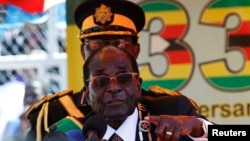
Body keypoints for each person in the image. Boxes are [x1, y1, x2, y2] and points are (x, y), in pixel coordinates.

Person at [25, 0, 213, 140]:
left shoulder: (170, 109)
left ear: (135, 50)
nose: (107, 52)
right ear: (83, 51)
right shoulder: (52, 117)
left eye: (118, 43)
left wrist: (199, 127)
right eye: (97, 44)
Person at [81, 46, 210, 141]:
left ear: (138, 86)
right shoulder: (72, 132)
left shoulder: (173, 110)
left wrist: (197, 127)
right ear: (87, 95)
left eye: (124, 78)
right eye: (101, 81)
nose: (114, 88)